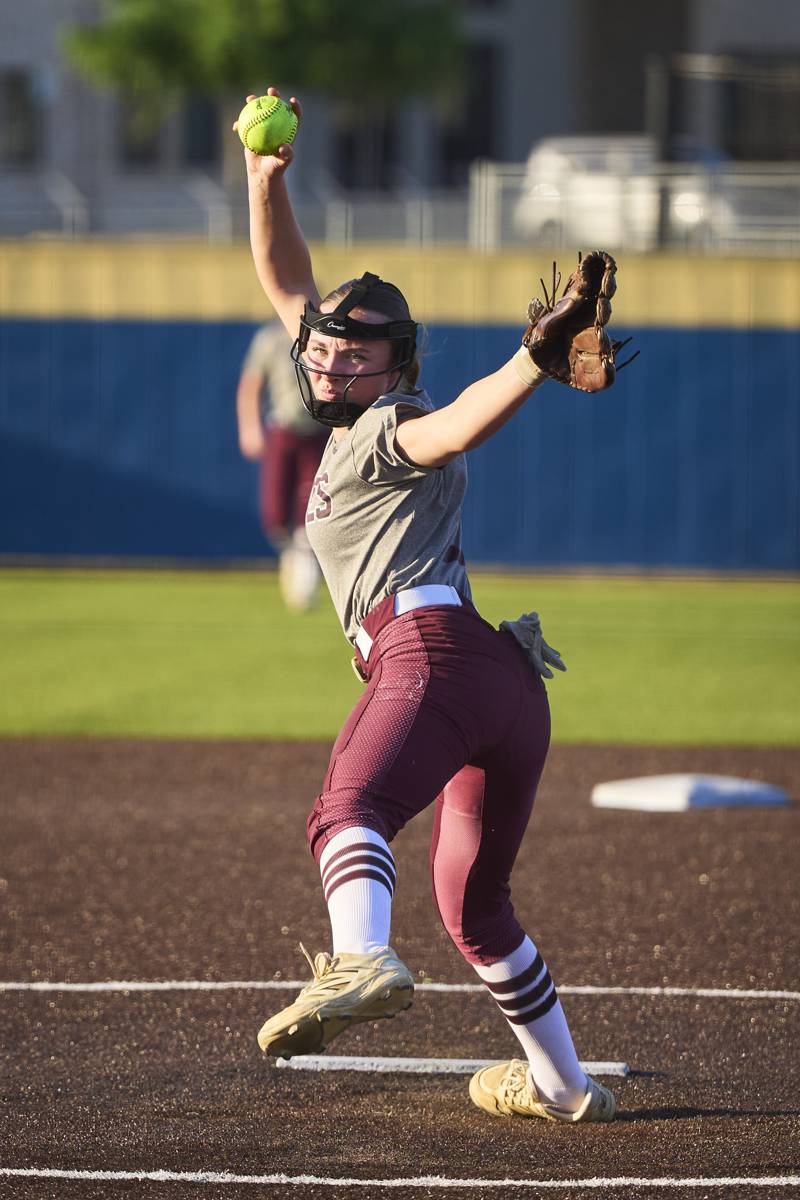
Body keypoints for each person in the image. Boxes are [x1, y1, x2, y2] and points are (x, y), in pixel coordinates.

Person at [235, 88, 616, 1124]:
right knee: (476, 907)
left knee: (345, 811)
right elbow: (287, 283)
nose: (328, 357)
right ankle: (563, 1088)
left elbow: (450, 430)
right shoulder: (339, 384)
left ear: (394, 365)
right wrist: (267, 180)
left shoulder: (379, 427)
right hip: (496, 676)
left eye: (355, 352)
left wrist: (531, 360)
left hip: (429, 657)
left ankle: (359, 959)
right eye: (324, 347)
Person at [236, 321, 328, 610]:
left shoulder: (325, 338)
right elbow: (251, 386)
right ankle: (291, 557)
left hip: (318, 431)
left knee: (312, 509)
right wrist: (249, 429)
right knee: (275, 514)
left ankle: (304, 576)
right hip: (283, 429)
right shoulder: (270, 338)